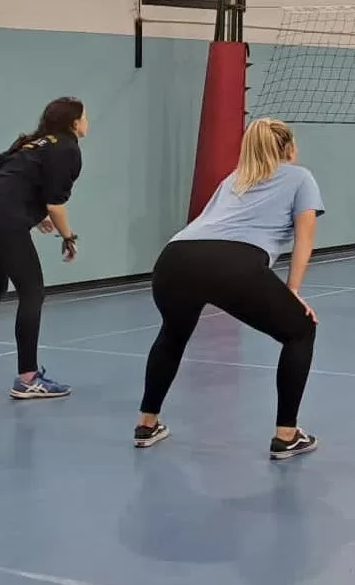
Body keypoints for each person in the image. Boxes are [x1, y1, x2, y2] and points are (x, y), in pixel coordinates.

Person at [135, 118, 324, 460]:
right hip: (233, 261)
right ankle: (287, 435)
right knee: (300, 331)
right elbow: (305, 238)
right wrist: (293, 291)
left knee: (173, 334)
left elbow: (206, 225)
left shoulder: (234, 179)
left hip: (175, 257)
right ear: (289, 148)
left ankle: (146, 424)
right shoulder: (301, 177)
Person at [0, 98, 87, 399]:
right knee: (32, 291)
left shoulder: (34, 143)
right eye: (84, 117)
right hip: (2, 217)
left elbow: (18, 182)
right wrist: (69, 237)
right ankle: (28, 377)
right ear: (74, 123)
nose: (87, 122)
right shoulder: (67, 147)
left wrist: (35, 216)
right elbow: (55, 203)